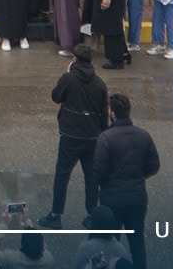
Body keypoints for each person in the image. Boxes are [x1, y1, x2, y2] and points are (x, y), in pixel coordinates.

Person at [41, 44, 108, 228]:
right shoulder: (100, 83)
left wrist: (68, 74)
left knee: (62, 175)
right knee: (91, 178)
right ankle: (91, 214)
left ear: (75, 59)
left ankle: (56, 214)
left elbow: (56, 97)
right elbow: (104, 113)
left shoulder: (68, 79)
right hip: (92, 137)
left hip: (70, 135)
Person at [90, 93, 158, 269]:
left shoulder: (105, 138)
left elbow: (99, 172)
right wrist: (139, 177)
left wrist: (108, 183)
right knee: (137, 243)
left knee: (111, 244)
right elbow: (154, 165)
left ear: (112, 113)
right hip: (137, 198)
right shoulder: (143, 135)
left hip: (112, 199)